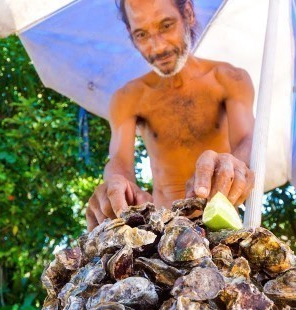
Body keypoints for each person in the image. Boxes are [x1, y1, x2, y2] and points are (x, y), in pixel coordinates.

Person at [86, 0, 256, 230]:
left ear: (188, 13)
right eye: (142, 34)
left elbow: (248, 140)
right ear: (130, 34)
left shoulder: (229, 79)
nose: (157, 47)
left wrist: (234, 164)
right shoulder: (127, 98)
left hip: (220, 225)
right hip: (161, 228)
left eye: (166, 26)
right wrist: (115, 184)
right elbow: (119, 161)